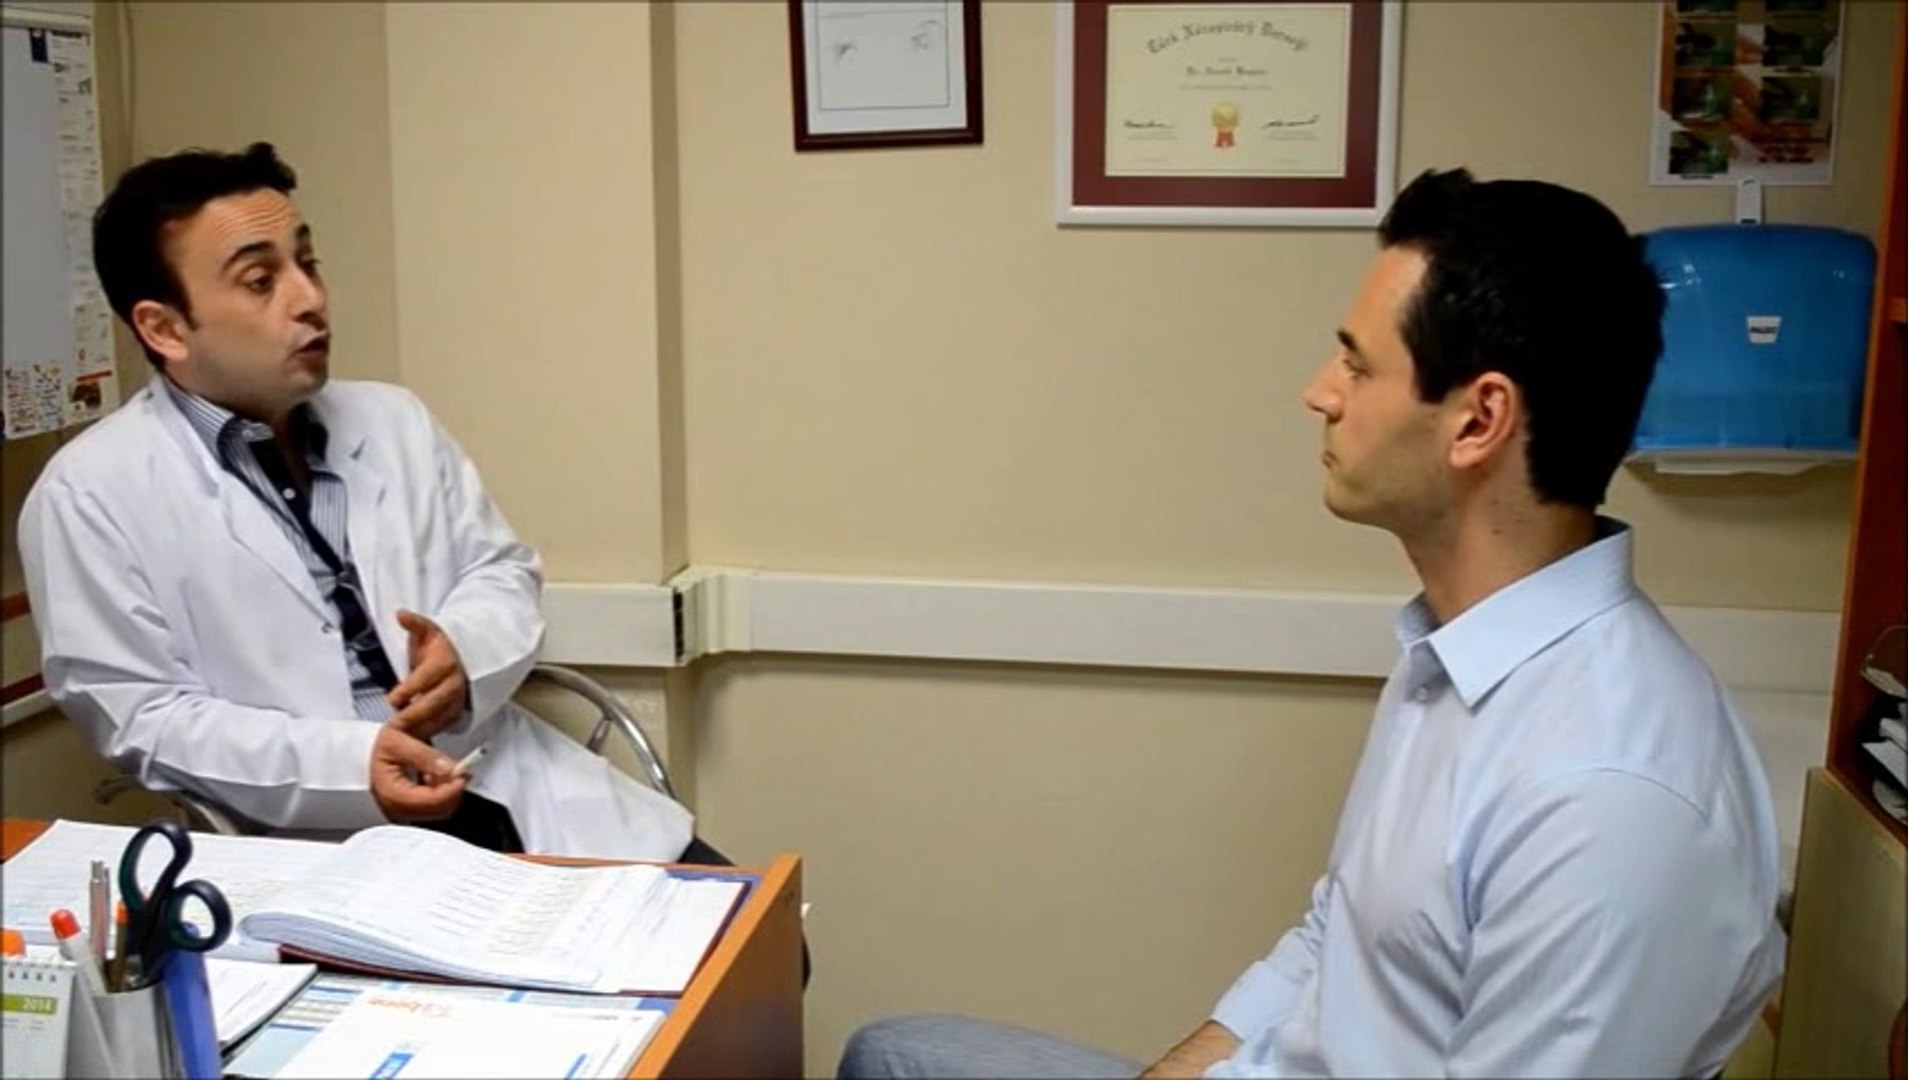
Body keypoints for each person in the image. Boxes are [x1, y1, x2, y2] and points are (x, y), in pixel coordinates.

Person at [838, 168, 1785, 1078]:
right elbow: (1335, 938)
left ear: (1477, 421)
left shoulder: (1608, 797)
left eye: (1359, 364)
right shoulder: (1454, 655)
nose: (1320, 391)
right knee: (894, 1054)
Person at [19, 142, 691, 861]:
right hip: (323, 838)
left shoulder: (394, 420)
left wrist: (463, 653)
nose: (310, 299)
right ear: (164, 328)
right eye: (260, 280)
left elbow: (500, 570)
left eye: (307, 263)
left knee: (740, 916)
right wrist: (349, 763)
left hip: (514, 789)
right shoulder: (89, 494)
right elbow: (143, 716)